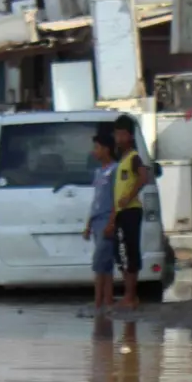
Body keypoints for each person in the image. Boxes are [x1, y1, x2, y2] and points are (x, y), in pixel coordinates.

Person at [109, 114, 151, 309]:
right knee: (121, 253)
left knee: (129, 253)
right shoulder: (121, 159)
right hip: (120, 213)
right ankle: (129, 294)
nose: (118, 139)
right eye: (116, 134)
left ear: (129, 136)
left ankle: (130, 296)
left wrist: (130, 196)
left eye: (121, 135)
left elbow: (143, 177)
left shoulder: (134, 157)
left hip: (131, 212)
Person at [82, 130, 119, 312]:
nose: (94, 151)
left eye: (97, 148)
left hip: (107, 220)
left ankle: (101, 302)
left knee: (100, 263)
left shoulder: (115, 170)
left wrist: (112, 222)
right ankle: (105, 302)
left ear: (106, 149)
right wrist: (88, 225)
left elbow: (116, 200)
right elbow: (96, 200)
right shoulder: (99, 172)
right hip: (97, 221)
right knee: (104, 263)